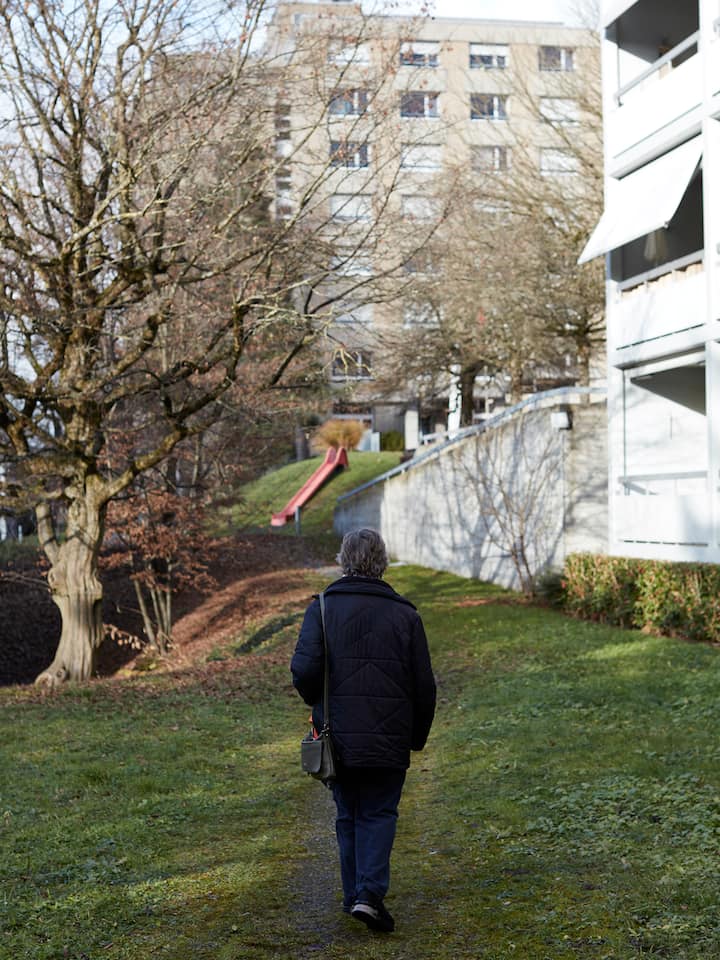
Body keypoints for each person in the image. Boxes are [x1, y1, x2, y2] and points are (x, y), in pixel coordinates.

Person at [291, 528, 436, 933]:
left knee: (349, 813)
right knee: (379, 811)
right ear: (382, 561)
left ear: (343, 559)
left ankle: (356, 893)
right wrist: (416, 737)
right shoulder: (406, 615)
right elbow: (425, 687)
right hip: (389, 740)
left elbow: (303, 670)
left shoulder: (322, 608)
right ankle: (368, 896)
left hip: (337, 735)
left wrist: (318, 705)